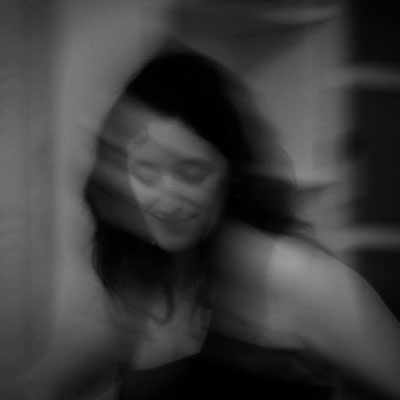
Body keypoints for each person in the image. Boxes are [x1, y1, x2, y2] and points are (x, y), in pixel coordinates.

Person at [10, 45, 400, 400]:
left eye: (192, 173)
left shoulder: (294, 277)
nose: (165, 200)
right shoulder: (139, 291)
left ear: (231, 175)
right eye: (145, 172)